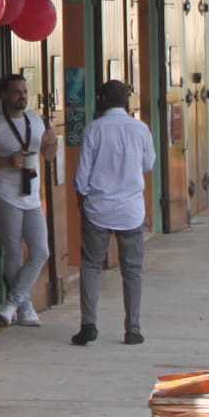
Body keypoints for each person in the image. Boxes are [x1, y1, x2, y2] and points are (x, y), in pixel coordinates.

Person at [70, 78, 156, 347]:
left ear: (101, 100)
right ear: (126, 101)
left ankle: (89, 324)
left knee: (91, 266)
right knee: (132, 270)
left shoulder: (94, 129)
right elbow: (148, 164)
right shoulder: (140, 129)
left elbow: (81, 176)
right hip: (131, 210)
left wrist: (83, 198)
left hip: (98, 209)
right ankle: (133, 328)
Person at [0, 71, 56, 327]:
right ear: (4, 96)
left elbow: (49, 157)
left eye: (25, 91)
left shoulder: (36, 120)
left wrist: (52, 144)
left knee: (41, 251)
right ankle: (26, 307)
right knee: (13, 250)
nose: (22, 97)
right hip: (6, 194)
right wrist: (7, 160)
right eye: (17, 92)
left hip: (31, 194)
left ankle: (12, 304)